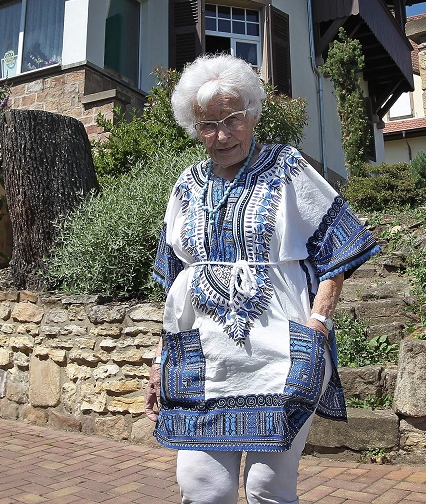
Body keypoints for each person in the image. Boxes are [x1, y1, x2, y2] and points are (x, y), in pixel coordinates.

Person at [145, 53, 379, 504]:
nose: (221, 135)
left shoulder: (287, 167)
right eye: (207, 125)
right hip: (202, 356)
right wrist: (159, 361)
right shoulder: (186, 185)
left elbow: (341, 247)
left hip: (285, 348)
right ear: (194, 129)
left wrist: (318, 325)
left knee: (268, 487)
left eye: (232, 119)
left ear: (252, 114)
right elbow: (173, 282)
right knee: (200, 486)